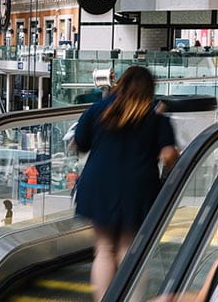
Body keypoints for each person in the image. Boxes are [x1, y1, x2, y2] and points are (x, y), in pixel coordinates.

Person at [70, 66, 179, 300]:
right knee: (130, 251)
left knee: (104, 249)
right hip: (137, 188)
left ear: (120, 84)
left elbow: (80, 141)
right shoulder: (155, 118)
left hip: (99, 185)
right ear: (150, 90)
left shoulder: (98, 109)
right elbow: (169, 154)